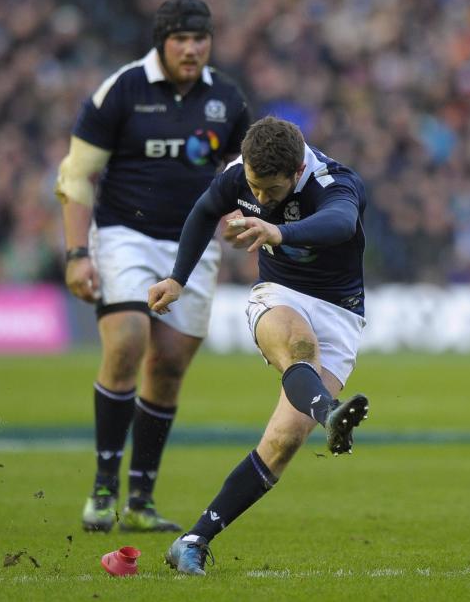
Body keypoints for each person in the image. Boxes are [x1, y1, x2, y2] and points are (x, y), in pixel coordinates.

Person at [54, 0, 252, 533]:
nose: (191, 49)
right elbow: (75, 175)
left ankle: (140, 500)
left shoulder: (229, 101)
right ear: (161, 43)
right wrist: (76, 255)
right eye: (180, 39)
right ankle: (102, 488)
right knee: (127, 343)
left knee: (166, 368)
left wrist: (243, 219)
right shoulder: (122, 90)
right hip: (125, 235)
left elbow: (246, 181)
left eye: (199, 39)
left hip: (192, 246)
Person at [148, 115, 370, 575]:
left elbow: (341, 222)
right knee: (297, 345)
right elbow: (206, 209)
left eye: (272, 191)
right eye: (255, 188)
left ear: (295, 173)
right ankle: (329, 413)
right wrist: (177, 277)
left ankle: (192, 540)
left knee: (284, 440)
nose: (262, 199)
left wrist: (279, 231)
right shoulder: (241, 172)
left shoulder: (334, 181)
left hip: (341, 312)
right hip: (280, 296)